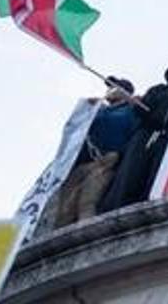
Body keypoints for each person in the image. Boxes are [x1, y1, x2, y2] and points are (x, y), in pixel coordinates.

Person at [98, 55, 168, 212]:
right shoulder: (159, 90)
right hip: (145, 136)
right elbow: (142, 108)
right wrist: (142, 110)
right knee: (132, 172)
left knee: (157, 173)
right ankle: (120, 207)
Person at [51, 77, 139, 227]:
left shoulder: (131, 110)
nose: (109, 91)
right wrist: (86, 109)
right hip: (81, 163)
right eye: (109, 88)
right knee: (65, 209)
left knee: (88, 201)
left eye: (114, 87)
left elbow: (134, 135)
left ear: (125, 92)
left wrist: (119, 154)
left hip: (106, 162)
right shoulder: (98, 110)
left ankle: (85, 232)